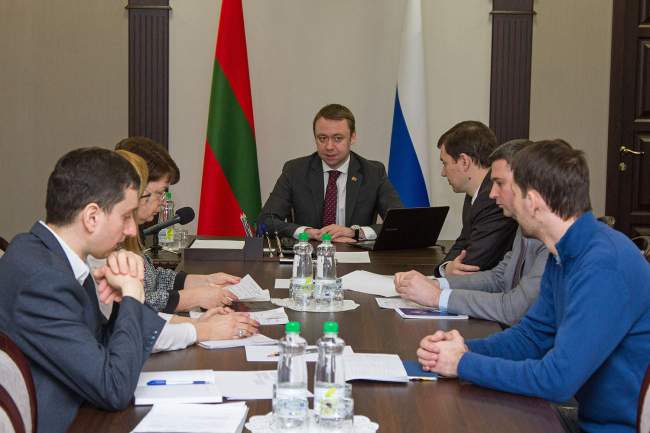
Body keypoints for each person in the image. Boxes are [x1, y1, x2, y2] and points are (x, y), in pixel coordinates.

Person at [416, 140, 650, 433]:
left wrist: (463, 364)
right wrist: (462, 349)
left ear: (534, 201)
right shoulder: (563, 252)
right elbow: (531, 337)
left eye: (512, 192)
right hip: (587, 419)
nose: (500, 198)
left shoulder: (603, 266)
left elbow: (557, 380)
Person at [0, 148, 166, 432]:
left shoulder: (54, 257)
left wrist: (121, 302)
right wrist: (132, 296)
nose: (131, 230)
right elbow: (114, 388)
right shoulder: (44, 279)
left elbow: (101, 350)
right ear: (92, 217)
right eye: (126, 216)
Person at [91, 150, 259, 351]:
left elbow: (144, 309)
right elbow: (135, 321)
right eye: (158, 193)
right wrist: (200, 323)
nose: (162, 201)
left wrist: (199, 317)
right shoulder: (97, 255)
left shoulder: (116, 240)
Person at [394, 139, 549, 327]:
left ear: (527, 185)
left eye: (500, 183)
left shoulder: (551, 239)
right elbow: (499, 278)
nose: (492, 193)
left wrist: (437, 296)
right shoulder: (524, 225)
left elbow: (514, 309)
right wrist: (436, 284)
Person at [115, 137, 243, 313]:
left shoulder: (129, 234)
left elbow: (152, 279)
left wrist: (204, 281)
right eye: (159, 193)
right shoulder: (111, 239)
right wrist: (194, 297)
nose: (162, 202)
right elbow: (136, 303)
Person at [256, 103, 403, 242]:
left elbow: (400, 223)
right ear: (315, 138)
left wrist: (355, 232)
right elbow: (264, 221)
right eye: (323, 138)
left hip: (356, 253)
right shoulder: (295, 171)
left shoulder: (373, 172)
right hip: (310, 253)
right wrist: (306, 232)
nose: (329, 146)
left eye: (337, 138)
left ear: (352, 137)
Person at [434, 121, 518, 277]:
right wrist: (447, 267)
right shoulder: (474, 194)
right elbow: (463, 243)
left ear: (464, 161)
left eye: (445, 164)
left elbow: (473, 265)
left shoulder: (492, 199)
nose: (443, 173)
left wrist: (447, 271)